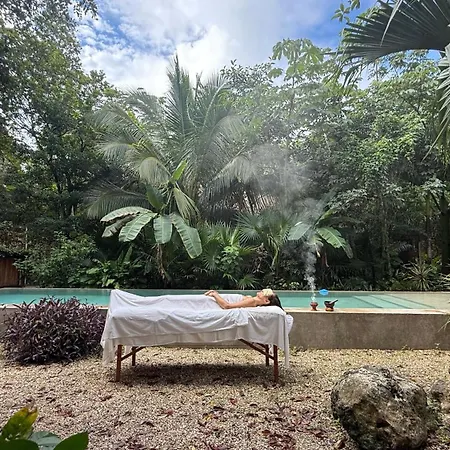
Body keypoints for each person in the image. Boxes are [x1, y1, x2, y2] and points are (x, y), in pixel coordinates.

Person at [204, 288, 283, 310]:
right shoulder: (252, 300)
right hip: (223, 298)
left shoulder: (253, 301)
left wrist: (215, 294)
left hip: (219, 300)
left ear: (266, 301)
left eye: (264, 292)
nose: (261, 291)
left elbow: (227, 306)